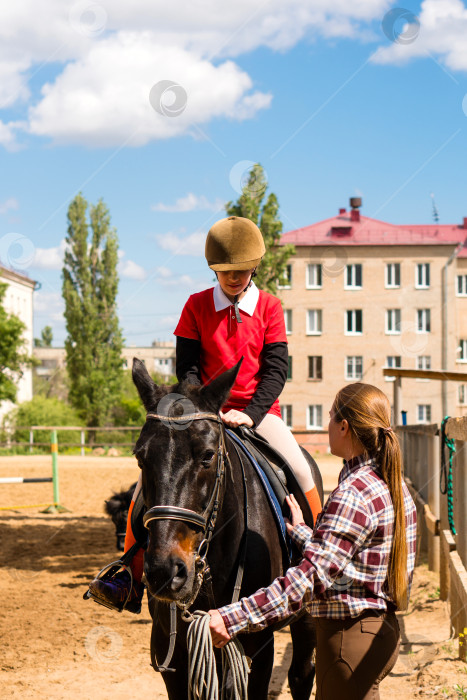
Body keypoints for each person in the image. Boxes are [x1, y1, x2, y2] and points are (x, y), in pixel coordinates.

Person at [87, 215, 322, 613]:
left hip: (257, 413)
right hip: (202, 412)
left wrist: (250, 413)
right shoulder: (196, 305)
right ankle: (128, 576)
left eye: (241, 271)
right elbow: (189, 368)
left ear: (255, 267)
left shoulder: (270, 307)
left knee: (300, 471)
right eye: (225, 271)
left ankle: (318, 565)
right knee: (146, 491)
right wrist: (203, 406)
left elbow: (276, 370)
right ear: (214, 268)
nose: (233, 278)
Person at [209, 382, 417, 700]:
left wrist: (232, 617)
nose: (327, 423)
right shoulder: (393, 486)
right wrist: (305, 533)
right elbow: (355, 560)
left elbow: (307, 580)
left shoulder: (352, 494)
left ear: (344, 427)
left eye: (331, 416)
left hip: (347, 643)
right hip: (380, 633)